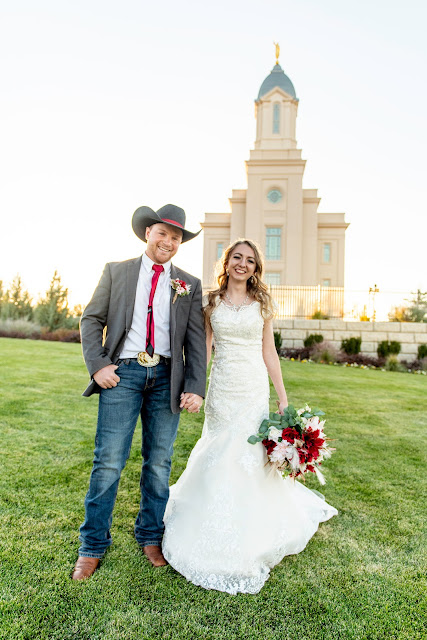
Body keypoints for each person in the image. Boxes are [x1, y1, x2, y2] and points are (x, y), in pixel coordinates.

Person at [162, 239, 338, 595]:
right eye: (237, 258)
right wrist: (195, 387)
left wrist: (283, 398)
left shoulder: (262, 304)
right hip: (222, 388)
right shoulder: (211, 303)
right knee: (219, 448)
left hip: (253, 388)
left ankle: (252, 522)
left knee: (248, 453)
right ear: (227, 263)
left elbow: (269, 352)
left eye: (250, 260)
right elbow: (204, 349)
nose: (243, 264)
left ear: (256, 268)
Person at [72, 204, 207, 580]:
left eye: (176, 237)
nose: (168, 241)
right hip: (123, 374)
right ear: (148, 232)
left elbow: (196, 341)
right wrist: (98, 365)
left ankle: (150, 535)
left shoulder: (189, 284)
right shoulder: (117, 272)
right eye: (162, 233)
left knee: (159, 462)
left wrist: (195, 387)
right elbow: (91, 319)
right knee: (108, 461)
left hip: (167, 377)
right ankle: (92, 545)